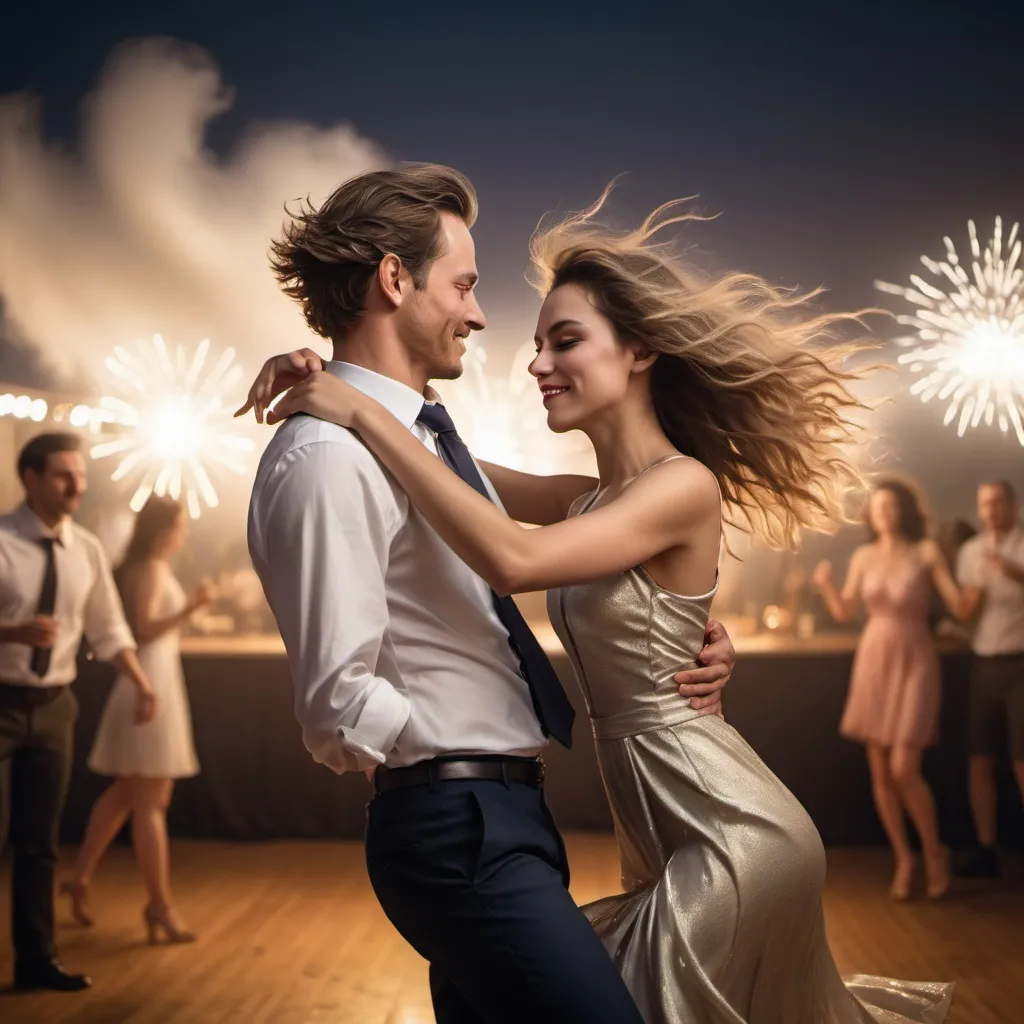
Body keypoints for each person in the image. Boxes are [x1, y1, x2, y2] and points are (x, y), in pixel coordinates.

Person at [246, 187, 954, 1022]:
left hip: (724, 831)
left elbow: (511, 554)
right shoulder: (585, 500)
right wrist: (338, 386)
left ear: (640, 350)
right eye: (472, 291)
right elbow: (455, 472)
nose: (527, 356)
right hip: (562, 823)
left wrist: (356, 403)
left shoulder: (680, 487)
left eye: (564, 340)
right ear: (396, 281)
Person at [240, 165, 736, 1024]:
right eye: (463, 285)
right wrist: (445, 762)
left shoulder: (413, 445)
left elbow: (593, 508)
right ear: (395, 279)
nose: (477, 313)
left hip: (499, 816)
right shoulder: (328, 453)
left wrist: (677, 615)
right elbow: (334, 707)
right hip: (458, 822)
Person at [0, 432, 156, 992]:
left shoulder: (86, 548)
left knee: (41, 843)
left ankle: (36, 959)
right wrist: (11, 632)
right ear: (32, 479)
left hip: (55, 707)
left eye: (82, 477)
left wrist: (141, 684)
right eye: (65, 476)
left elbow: (109, 629)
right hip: (1, 700)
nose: (78, 487)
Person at [60, 495, 211, 942]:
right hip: (148, 684)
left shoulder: (155, 567)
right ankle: (160, 906)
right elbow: (142, 629)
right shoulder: (146, 568)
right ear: (166, 529)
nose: (184, 533)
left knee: (128, 793)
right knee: (149, 800)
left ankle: (80, 878)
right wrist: (191, 608)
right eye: (181, 525)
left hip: (156, 680)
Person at [812, 479, 963, 901]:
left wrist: (978, 593)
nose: (885, 514)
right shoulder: (863, 555)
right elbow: (844, 610)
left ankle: (934, 853)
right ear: (871, 515)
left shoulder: (926, 552)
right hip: (874, 657)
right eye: (878, 508)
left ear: (904, 510)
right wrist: (824, 584)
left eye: (892, 506)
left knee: (903, 767)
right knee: (879, 769)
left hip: (915, 657)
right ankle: (904, 859)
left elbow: (957, 602)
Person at [954, 479, 1024, 878]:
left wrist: (1012, 572)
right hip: (983, 662)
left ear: (1013, 506)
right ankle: (986, 846)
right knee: (979, 758)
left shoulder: (1021, 545)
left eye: (998, 502)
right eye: (985, 504)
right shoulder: (970, 552)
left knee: (1021, 760)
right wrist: (964, 607)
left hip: (1020, 662)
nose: (992, 510)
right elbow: (967, 610)